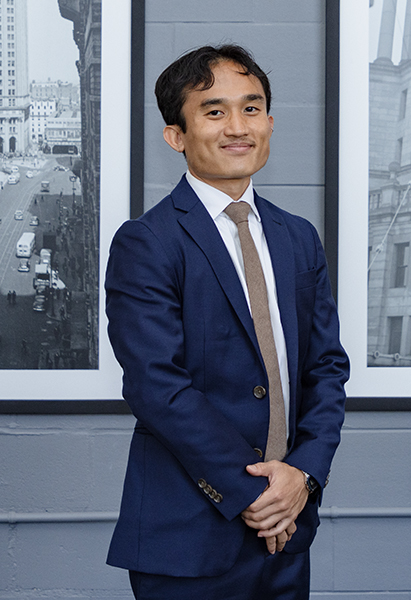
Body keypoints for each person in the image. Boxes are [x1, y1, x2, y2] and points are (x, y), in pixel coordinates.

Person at [105, 44, 349, 600]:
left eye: (252, 107)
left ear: (269, 122)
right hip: (189, 535)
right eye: (214, 112)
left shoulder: (297, 237)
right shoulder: (148, 242)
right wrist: (258, 496)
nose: (237, 127)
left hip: (288, 531)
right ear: (177, 135)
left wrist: (303, 476)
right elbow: (156, 386)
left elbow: (327, 368)